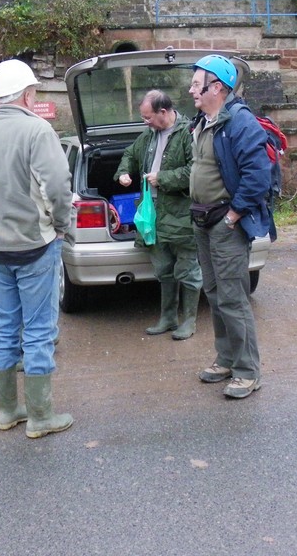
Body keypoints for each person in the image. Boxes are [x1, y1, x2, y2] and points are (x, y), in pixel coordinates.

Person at [0, 59, 75, 438]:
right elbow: (57, 186)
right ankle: (40, 416)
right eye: (34, 90)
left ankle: (8, 411)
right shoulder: (38, 131)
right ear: (26, 94)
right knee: (38, 330)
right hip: (34, 246)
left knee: (5, 325)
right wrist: (59, 225)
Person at [187, 54, 275, 399]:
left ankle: (248, 371)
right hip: (202, 221)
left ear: (217, 88)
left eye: (197, 84)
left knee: (233, 298)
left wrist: (232, 217)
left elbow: (258, 176)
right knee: (213, 294)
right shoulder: (203, 121)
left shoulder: (240, 122)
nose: (191, 90)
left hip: (225, 223)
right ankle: (226, 358)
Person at [115, 90, 202, 340]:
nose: (145, 122)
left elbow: (196, 171)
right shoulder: (150, 134)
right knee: (163, 269)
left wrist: (162, 178)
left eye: (148, 117)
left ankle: (189, 322)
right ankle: (168, 317)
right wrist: (124, 172)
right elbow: (130, 154)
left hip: (181, 213)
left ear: (163, 112)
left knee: (188, 270)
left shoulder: (188, 133)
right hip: (153, 213)